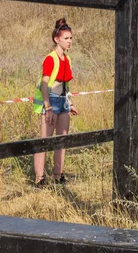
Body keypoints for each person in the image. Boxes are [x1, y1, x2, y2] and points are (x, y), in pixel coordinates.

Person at [32, 18, 79, 187]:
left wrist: (70, 102)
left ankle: (58, 176)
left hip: (64, 102)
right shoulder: (50, 59)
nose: (70, 42)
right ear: (56, 39)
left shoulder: (67, 59)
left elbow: (66, 84)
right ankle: (39, 179)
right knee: (44, 141)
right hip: (50, 103)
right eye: (66, 38)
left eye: (71, 38)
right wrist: (48, 107)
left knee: (62, 141)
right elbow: (45, 86)